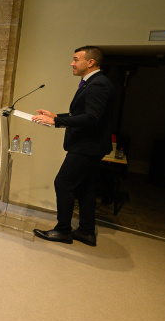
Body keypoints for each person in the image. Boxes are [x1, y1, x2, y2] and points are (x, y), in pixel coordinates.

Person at [31, 46, 116, 247]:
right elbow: (83, 114)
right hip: (90, 145)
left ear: (90, 62)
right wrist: (56, 116)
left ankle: (62, 230)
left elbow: (92, 118)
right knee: (85, 187)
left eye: (76, 59)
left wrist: (57, 123)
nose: (72, 63)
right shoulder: (93, 83)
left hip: (87, 146)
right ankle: (86, 232)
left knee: (63, 183)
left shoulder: (98, 85)